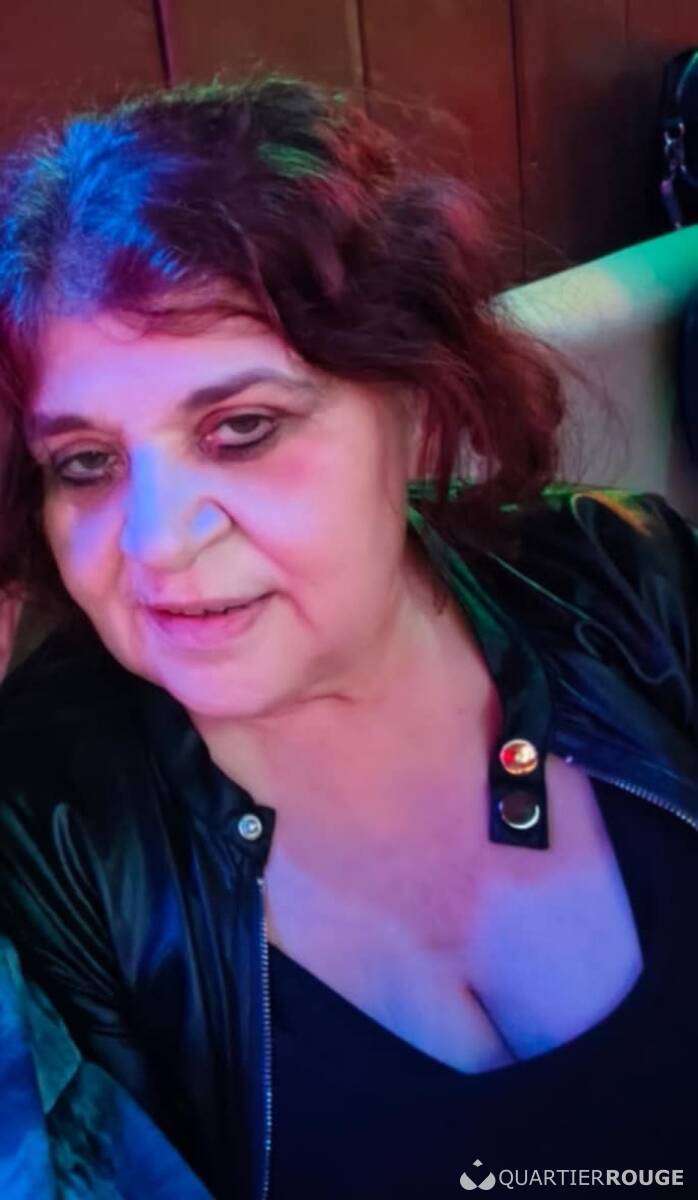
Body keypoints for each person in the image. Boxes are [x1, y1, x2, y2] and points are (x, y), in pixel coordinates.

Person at [0, 73, 695, 1200]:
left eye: (243, 428)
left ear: (416, 409)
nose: (156, 541)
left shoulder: (624, 580)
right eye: (84, 463)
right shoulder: (50, 826)